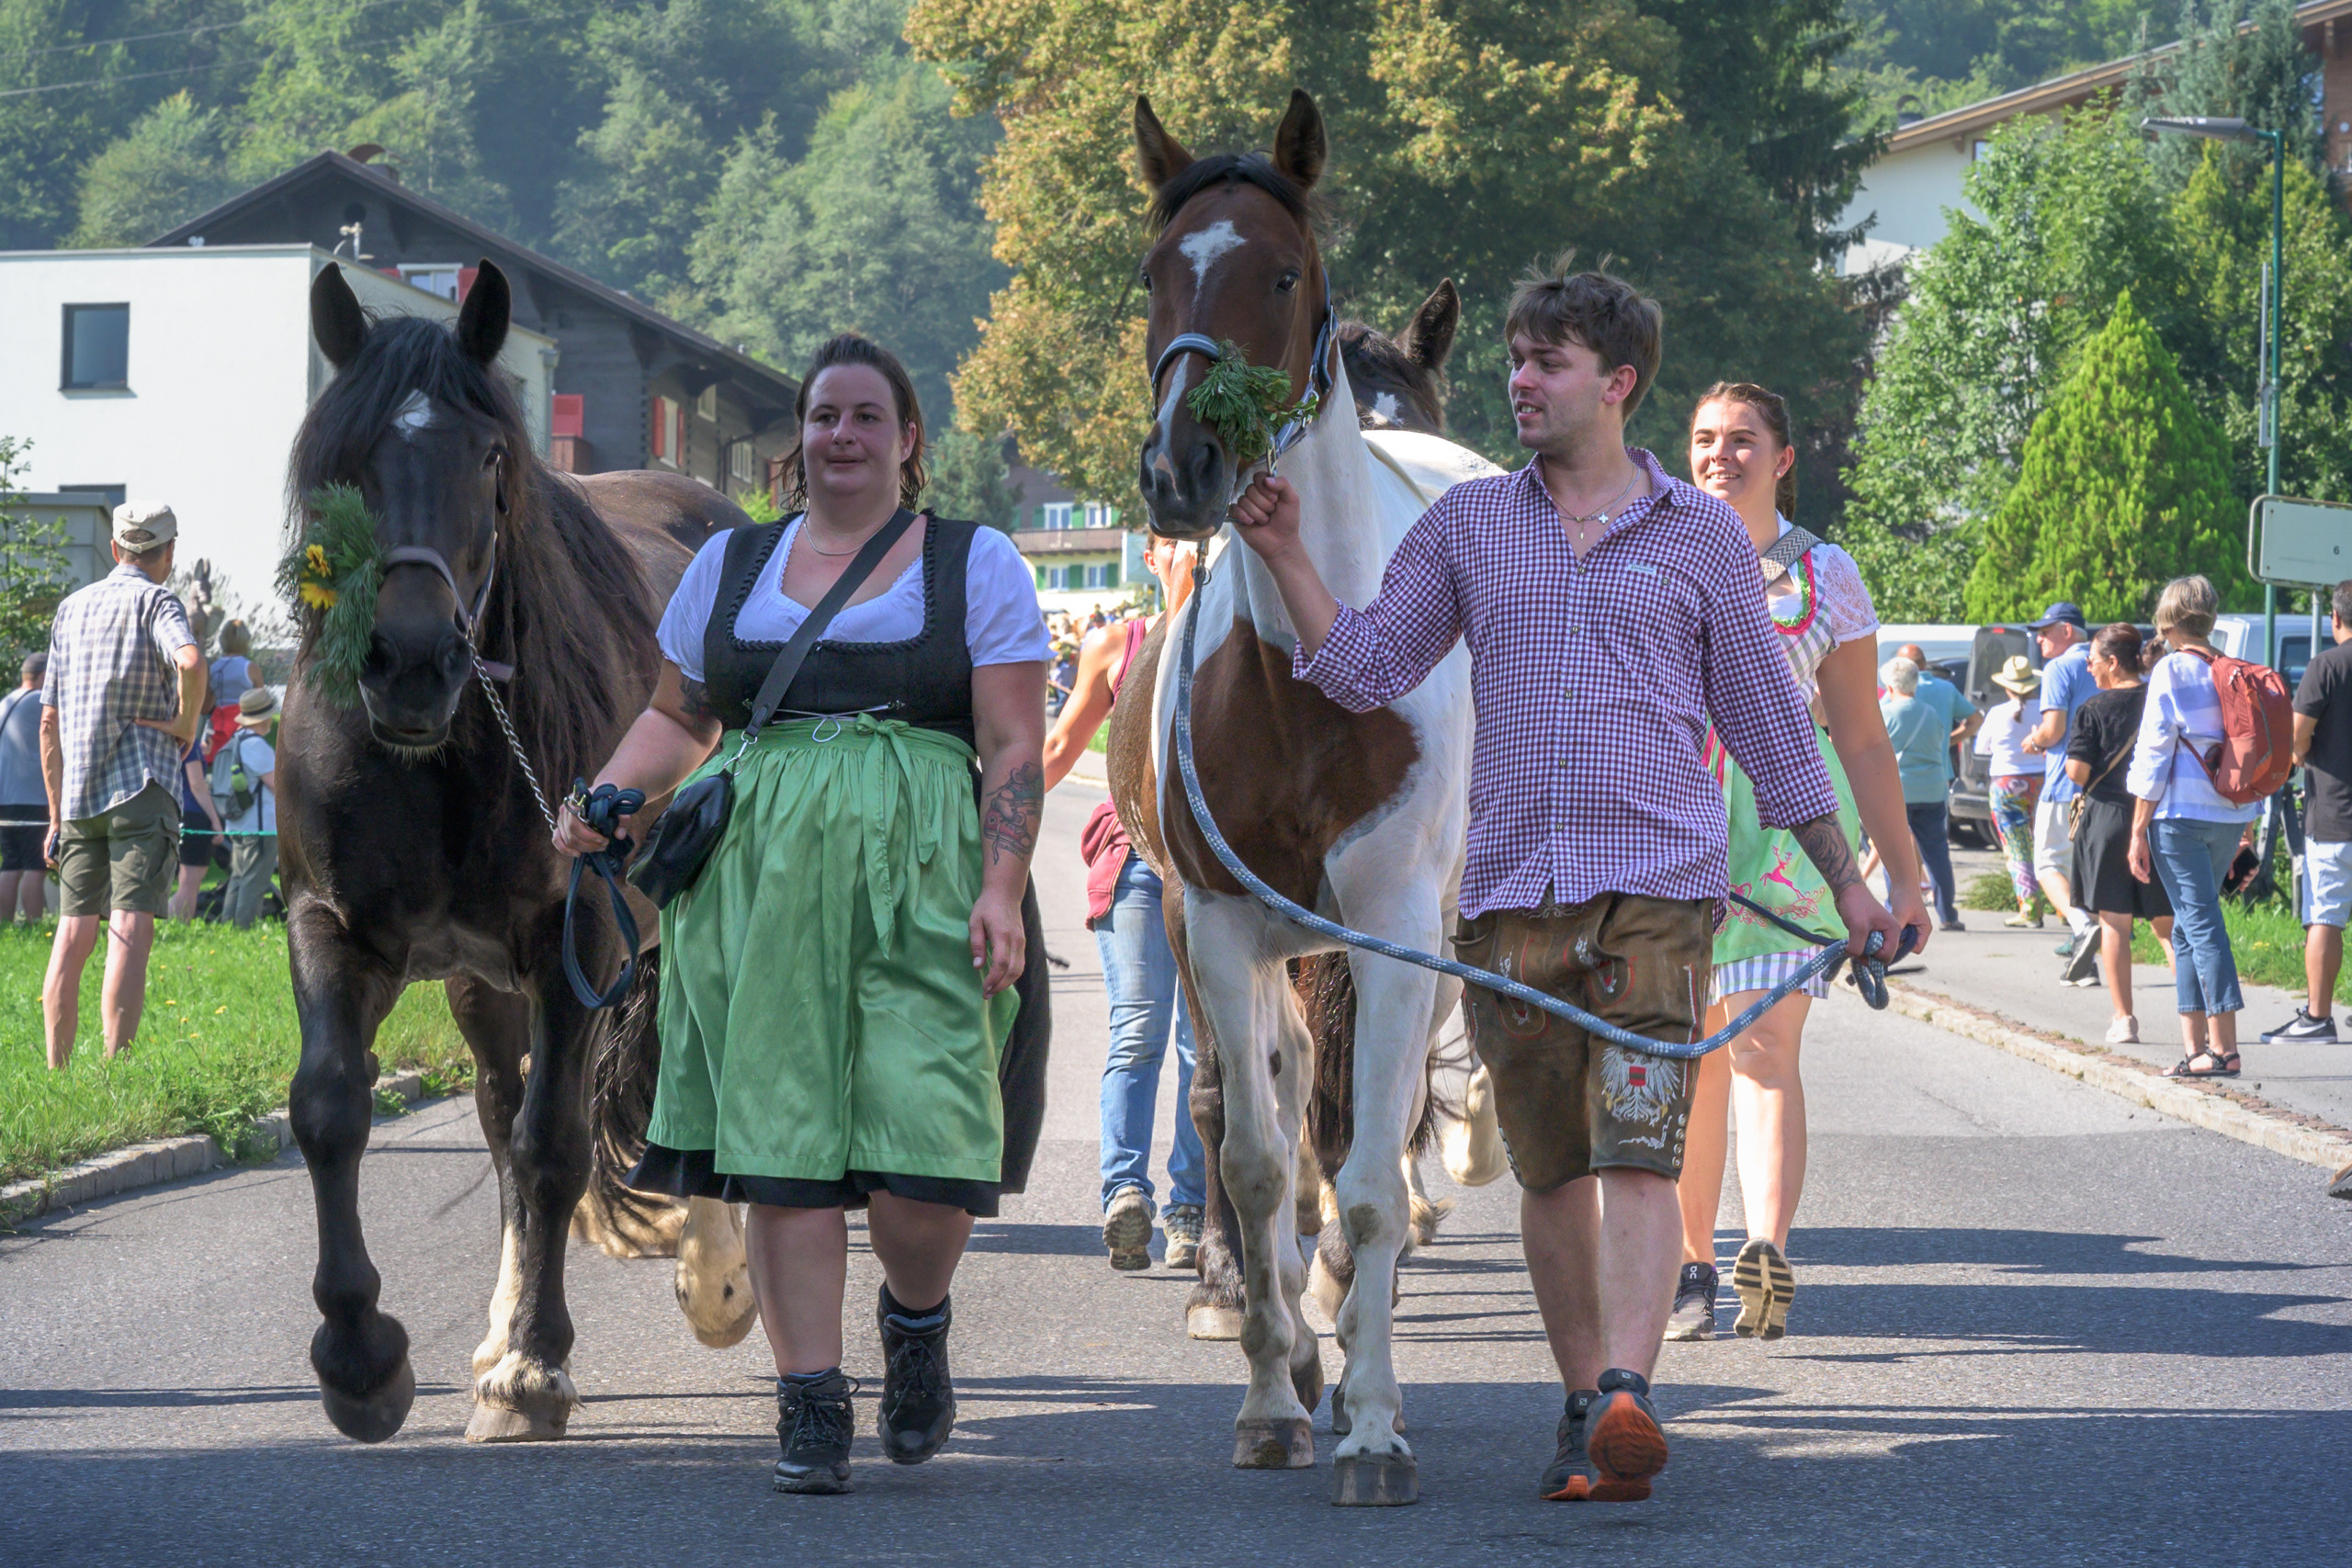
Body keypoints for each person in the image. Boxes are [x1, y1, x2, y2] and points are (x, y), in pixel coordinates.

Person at [1227, 261, 1900, 1505]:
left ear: (1618, 382)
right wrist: (1284, 556)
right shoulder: (1473, 522)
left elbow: (1770, 724)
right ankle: (1585, 1390)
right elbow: (1368, 666)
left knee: (1640, 1149)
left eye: (1547, 364)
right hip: (1512, 905)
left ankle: (1627, 1390)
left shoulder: (1697, 535)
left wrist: (1851, 888)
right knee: (1548, 1167)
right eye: (1517, 360)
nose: (1519, 382)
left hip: (1657, 892)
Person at [552, 333, 1046, 1495]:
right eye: (825, 415)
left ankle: (914, 1324)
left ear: (908, 440)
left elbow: (1015, 743)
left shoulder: (976, 563)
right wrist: (612, 795)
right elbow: (679, 718)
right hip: (759, 884)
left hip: (924, 870)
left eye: (867, 417)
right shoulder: (731, 566)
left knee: (928, 1145)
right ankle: (811, 1398)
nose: (843, 436)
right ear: (801, 437)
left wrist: (1001, 885)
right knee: (780, 1152)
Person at [1668, 384, 1926, 1346]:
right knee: (1688, 1058)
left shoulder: (1826, 574)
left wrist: (1904, 877)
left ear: (1782, 458)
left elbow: (1862, 738)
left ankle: (1761, 1252)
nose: (1718, 454)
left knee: (1765, 1050)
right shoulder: (1649, 548)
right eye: (1702, 438)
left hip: (1785, 831)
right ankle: (1690, 1262)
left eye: (1742, 440)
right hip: (1669, 820)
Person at [1040, 535, 1205, 1271]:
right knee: (1138, 1030)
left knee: (1204, 1048)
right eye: (1175, 539)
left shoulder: (1237, 628)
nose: (1192, 549)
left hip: (1211, 872)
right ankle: (1125, 1192)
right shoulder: (1113, 643)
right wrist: (982, 818)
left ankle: (1193, 1206)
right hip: (1138, 858)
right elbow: (1058, 749)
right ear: (1149, 550)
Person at [39, 502, 205, 1067]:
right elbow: (190, 660)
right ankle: (116, 1067)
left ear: (115, 549)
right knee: (129, 924)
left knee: (72, 930)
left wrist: (57, 814)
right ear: (169, 553)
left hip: (81, 793)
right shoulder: (157, 600)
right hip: (143, 782)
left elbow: (48, 721)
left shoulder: (71, 608)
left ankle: (57, 1070)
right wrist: (185, 723)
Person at [2127, 576, 2257, 1078]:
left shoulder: (2172, 671)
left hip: (2178, 816)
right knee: (2186, 925)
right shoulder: (2235, 671)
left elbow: (2153, 752)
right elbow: (2252, 749)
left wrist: (2138, 829)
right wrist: (2248, 825)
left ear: (2169, 623)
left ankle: (2224, 1049)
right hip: (2229, 813)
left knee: (2201, 923)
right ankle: (2195, 1047)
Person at [2064, 623, 2171, 1043]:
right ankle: (2197, 1016)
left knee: (2115, 925)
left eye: (2092, 661)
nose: (2089, 668)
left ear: (2112, 662)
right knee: (2168, 926)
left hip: (2108, 820)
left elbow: (2078, 771)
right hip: (2157, 817)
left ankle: (2124, 1019)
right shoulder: (2157, 699)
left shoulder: (2093, 708)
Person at [2267, 581, 2352, 1043]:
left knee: (2326, 916)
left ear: (2335, 619)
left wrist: (2298, 755)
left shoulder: (2326, 666)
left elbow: (2297, 735)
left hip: (2336, 814)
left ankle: (2318, 1017)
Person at [2022, 604, 2099, 978]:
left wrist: (2035, 740)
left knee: (2048, 865)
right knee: (2085, 873)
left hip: (2063, 784)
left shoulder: (2059, 667)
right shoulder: (2107, 663)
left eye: (2045, 630)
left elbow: (2053, 730)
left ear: (2067, 631)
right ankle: (2087, 964)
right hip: (2103, 787)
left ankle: (2083, 927)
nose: (2039, 638)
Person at [1878, 658, 1962, 931]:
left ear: (1889, 686)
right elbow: (1940, 743)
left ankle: (1896, 914)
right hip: (1932, 789)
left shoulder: (1886, 714)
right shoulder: (1930, 713)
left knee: (1895, 854)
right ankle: (1948, 913)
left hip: (1897, 791)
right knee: (1937, 853)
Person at [1973, 655, 2045, 926]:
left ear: (2007, 686)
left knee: (2017, 849)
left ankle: (2030, 909)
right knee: (2048, 845)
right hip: (2042, 783)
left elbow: (1982, 748)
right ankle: (2065, 908)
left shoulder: (1997, 713)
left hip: (2006, 785)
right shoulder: (2047, 710)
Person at [217, 686, 279, 928]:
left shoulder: (236, 740)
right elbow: (277, 785)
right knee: (254, 880)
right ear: (262, 718)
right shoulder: (256, 746)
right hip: (260, 827)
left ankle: (228, 926)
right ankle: (244, 929)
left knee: (239, 877)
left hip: (237, 822)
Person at [1, 652, 51, 921]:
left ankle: (4, 923)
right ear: (44, 676)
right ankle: (33, 923)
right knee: (35, 864)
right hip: (32, 797)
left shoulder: (4, 702)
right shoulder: (38, 702)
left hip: (5, 798)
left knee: (10, 864)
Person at [170, 726, 221, 922]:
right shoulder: (188, 742)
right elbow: (197, 786)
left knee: (184, 879)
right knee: (191, 881)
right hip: (194, 814)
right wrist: (216, 822)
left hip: (175, 811)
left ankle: (176, 924)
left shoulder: (168, 740)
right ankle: (177, 924)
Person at [207, 619, 255, 761]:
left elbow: (206, 706)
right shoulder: (251, 668)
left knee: (220, 761)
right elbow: (261, 703)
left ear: (223, 639)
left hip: (219, 720)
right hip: (243, 720)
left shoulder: (214, 668)